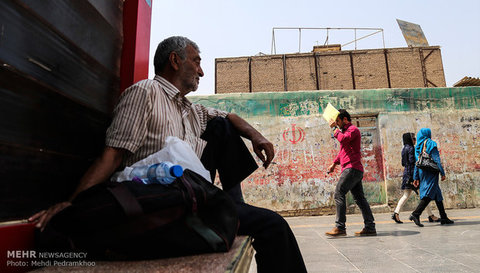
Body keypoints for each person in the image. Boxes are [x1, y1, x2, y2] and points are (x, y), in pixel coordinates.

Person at [29, 36, 307, 273]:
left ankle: (231, 207)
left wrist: (257, 136)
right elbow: (112, 155)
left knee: (223, 125)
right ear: (175, 60)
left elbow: (229, 116)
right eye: (196, 61)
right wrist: (74, 204)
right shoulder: (145, 93)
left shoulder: (191, 110)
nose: (201, 72)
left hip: (191, 195)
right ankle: (231, 212)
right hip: (158, 201)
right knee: (274, 226)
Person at [325, 109, 376, 237]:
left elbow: (343, 140)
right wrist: (334, 164)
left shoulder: (353, 130)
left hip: (351, 169)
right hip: (353, 169)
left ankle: (340, 227)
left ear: (345, 119)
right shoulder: (345, 131)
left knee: (339, 193)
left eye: (338, 121)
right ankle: (370, 227)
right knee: (359, 199)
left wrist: (334, 130)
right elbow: (343, 151)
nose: (336, 123)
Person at [409, 128, 454, 227]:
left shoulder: (418, 146)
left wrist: (416, 177)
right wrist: (442, 172)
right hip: (431, 172)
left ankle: (443, 217)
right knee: (429, 194)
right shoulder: (431, 144)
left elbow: (417, 163)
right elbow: (436, 159)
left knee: (437, 194)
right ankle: (416, 214)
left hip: (422, 172)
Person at [391, 133, 439, 224]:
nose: (415, 140)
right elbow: (413, 162)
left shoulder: (403, 149)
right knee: (425, 196)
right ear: (409, 139)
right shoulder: (411, 149)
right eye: (413, 138)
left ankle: (396, 213)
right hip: (412, 176)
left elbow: (403, 163)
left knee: (406, 196)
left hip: (406, 175)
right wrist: (415, 177)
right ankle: (430, 215)